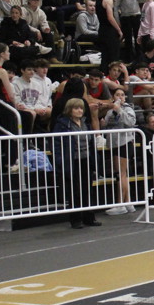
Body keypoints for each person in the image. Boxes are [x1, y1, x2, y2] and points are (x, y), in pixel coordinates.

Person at [53, 97, 103, 229]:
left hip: (86, 159)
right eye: (76, 108)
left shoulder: (85, 123)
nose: (80, 110)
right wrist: (60, 161)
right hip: (72, 161)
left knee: (87, 189)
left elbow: (91, 142)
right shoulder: (62, 124)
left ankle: (89, 217)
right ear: (69, 110)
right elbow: (56, 144)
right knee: (74, 191)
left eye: (81, 108)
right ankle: (76, 219)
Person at [103, 87, 138, 216]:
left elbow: (131, 122)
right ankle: (128, 202)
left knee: (121, 174)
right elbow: (106, 123)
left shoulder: (128, 109)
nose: (120, 97)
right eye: (117, 95)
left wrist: (119, 110)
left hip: (124, 143)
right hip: (114, 143)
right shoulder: (110, 110)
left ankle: (120, 204)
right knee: (122, 174)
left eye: (122, 95)